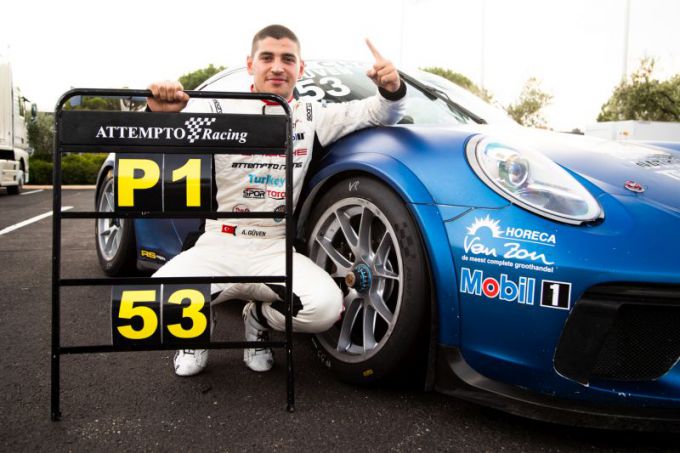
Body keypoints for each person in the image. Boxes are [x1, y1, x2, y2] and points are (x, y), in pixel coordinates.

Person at [147, 24, 406, 376]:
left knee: (327, 309)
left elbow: (380, 112)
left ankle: (258, 319)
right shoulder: (217, 107)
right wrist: (160, 109)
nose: (277, 67)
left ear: (301, 68)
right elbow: (163, 132)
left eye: (288, 59)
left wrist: (391, 87)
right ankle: (196, 330)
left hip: (274, 248)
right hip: (219, 243)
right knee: (154, 300)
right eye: (267, 57)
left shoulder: (313, 115)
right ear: (250, 64)